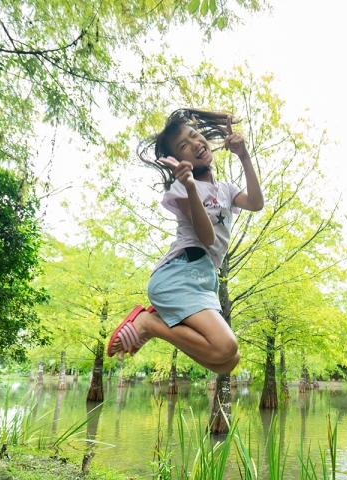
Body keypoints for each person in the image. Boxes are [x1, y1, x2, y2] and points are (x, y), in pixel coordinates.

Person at [107, 109, 264, 374]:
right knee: (225, 346)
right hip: (180, 273)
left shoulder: (225, 188)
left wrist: (244, 155)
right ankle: (149, 324)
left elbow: (256, 204)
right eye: (184, 146)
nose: (195, 144)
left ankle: (153, 323)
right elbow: (207, 237)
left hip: (203, 278)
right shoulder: (181, 189)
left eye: (194, 136)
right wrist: (190, 186)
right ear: (179, 161)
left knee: (227, 362)